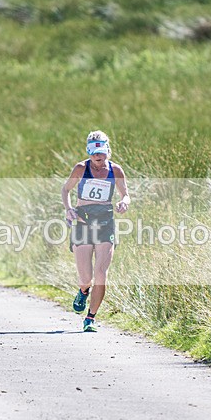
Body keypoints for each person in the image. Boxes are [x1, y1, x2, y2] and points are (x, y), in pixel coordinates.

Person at [61, 130, 130, 332]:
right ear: (89, 153)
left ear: (107, 150)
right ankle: (83, 291)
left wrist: (124, 202)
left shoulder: (115, 170)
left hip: (105, 222)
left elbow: (126, 194)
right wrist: (68, 210)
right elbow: (66, 190)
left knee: (101, 273)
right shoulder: (81, 168)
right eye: (93, 154)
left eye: (101, 153)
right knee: (86, 278)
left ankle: (90, 318)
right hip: (83, 220)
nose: (98, 158)